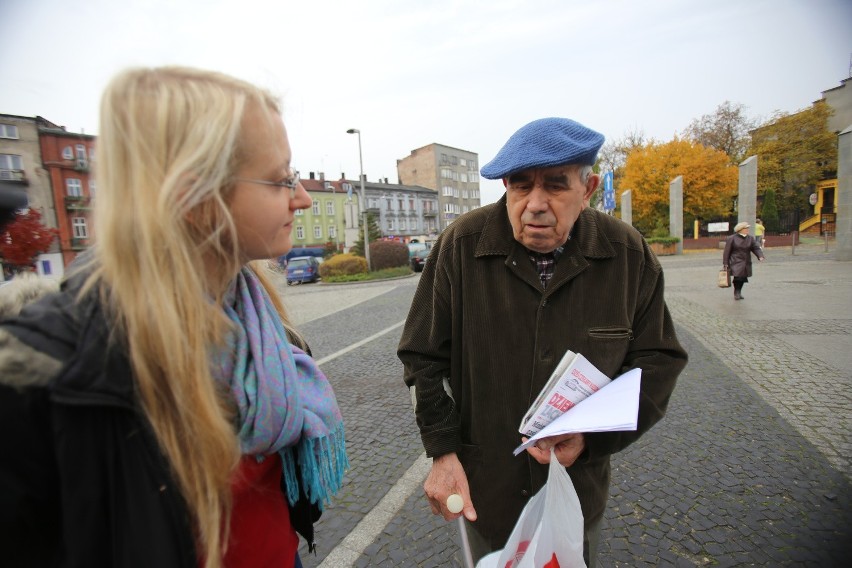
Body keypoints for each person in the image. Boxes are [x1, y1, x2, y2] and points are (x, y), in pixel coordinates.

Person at [0, 66, 348, 568]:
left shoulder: (261, 322)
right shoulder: (52, 375)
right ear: (197, 198)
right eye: (280, 180)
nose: (303, 198)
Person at [398, 117, 688, 566]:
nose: (535, 205)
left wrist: (590, 437)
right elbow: (422, 356)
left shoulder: (627, 255)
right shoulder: (461, 246)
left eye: (555, 186)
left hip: (575, 491)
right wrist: (442, 452)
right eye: (520, 186)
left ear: (588, 187)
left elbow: (659, 361)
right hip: (486, 489)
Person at [723, 221, 765, 300]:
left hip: (746, 261)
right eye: (746, 228)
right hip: (735, 261)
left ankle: (739, 291)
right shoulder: (732, 238)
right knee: (738, 277)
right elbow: (727, 251)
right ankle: (737, 292)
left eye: (748, 228)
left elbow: (755, 247)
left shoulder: (750, 238)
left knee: (743, 278)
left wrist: (760, 256)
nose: (747, 229)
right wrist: (725, 263)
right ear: (740, 229)